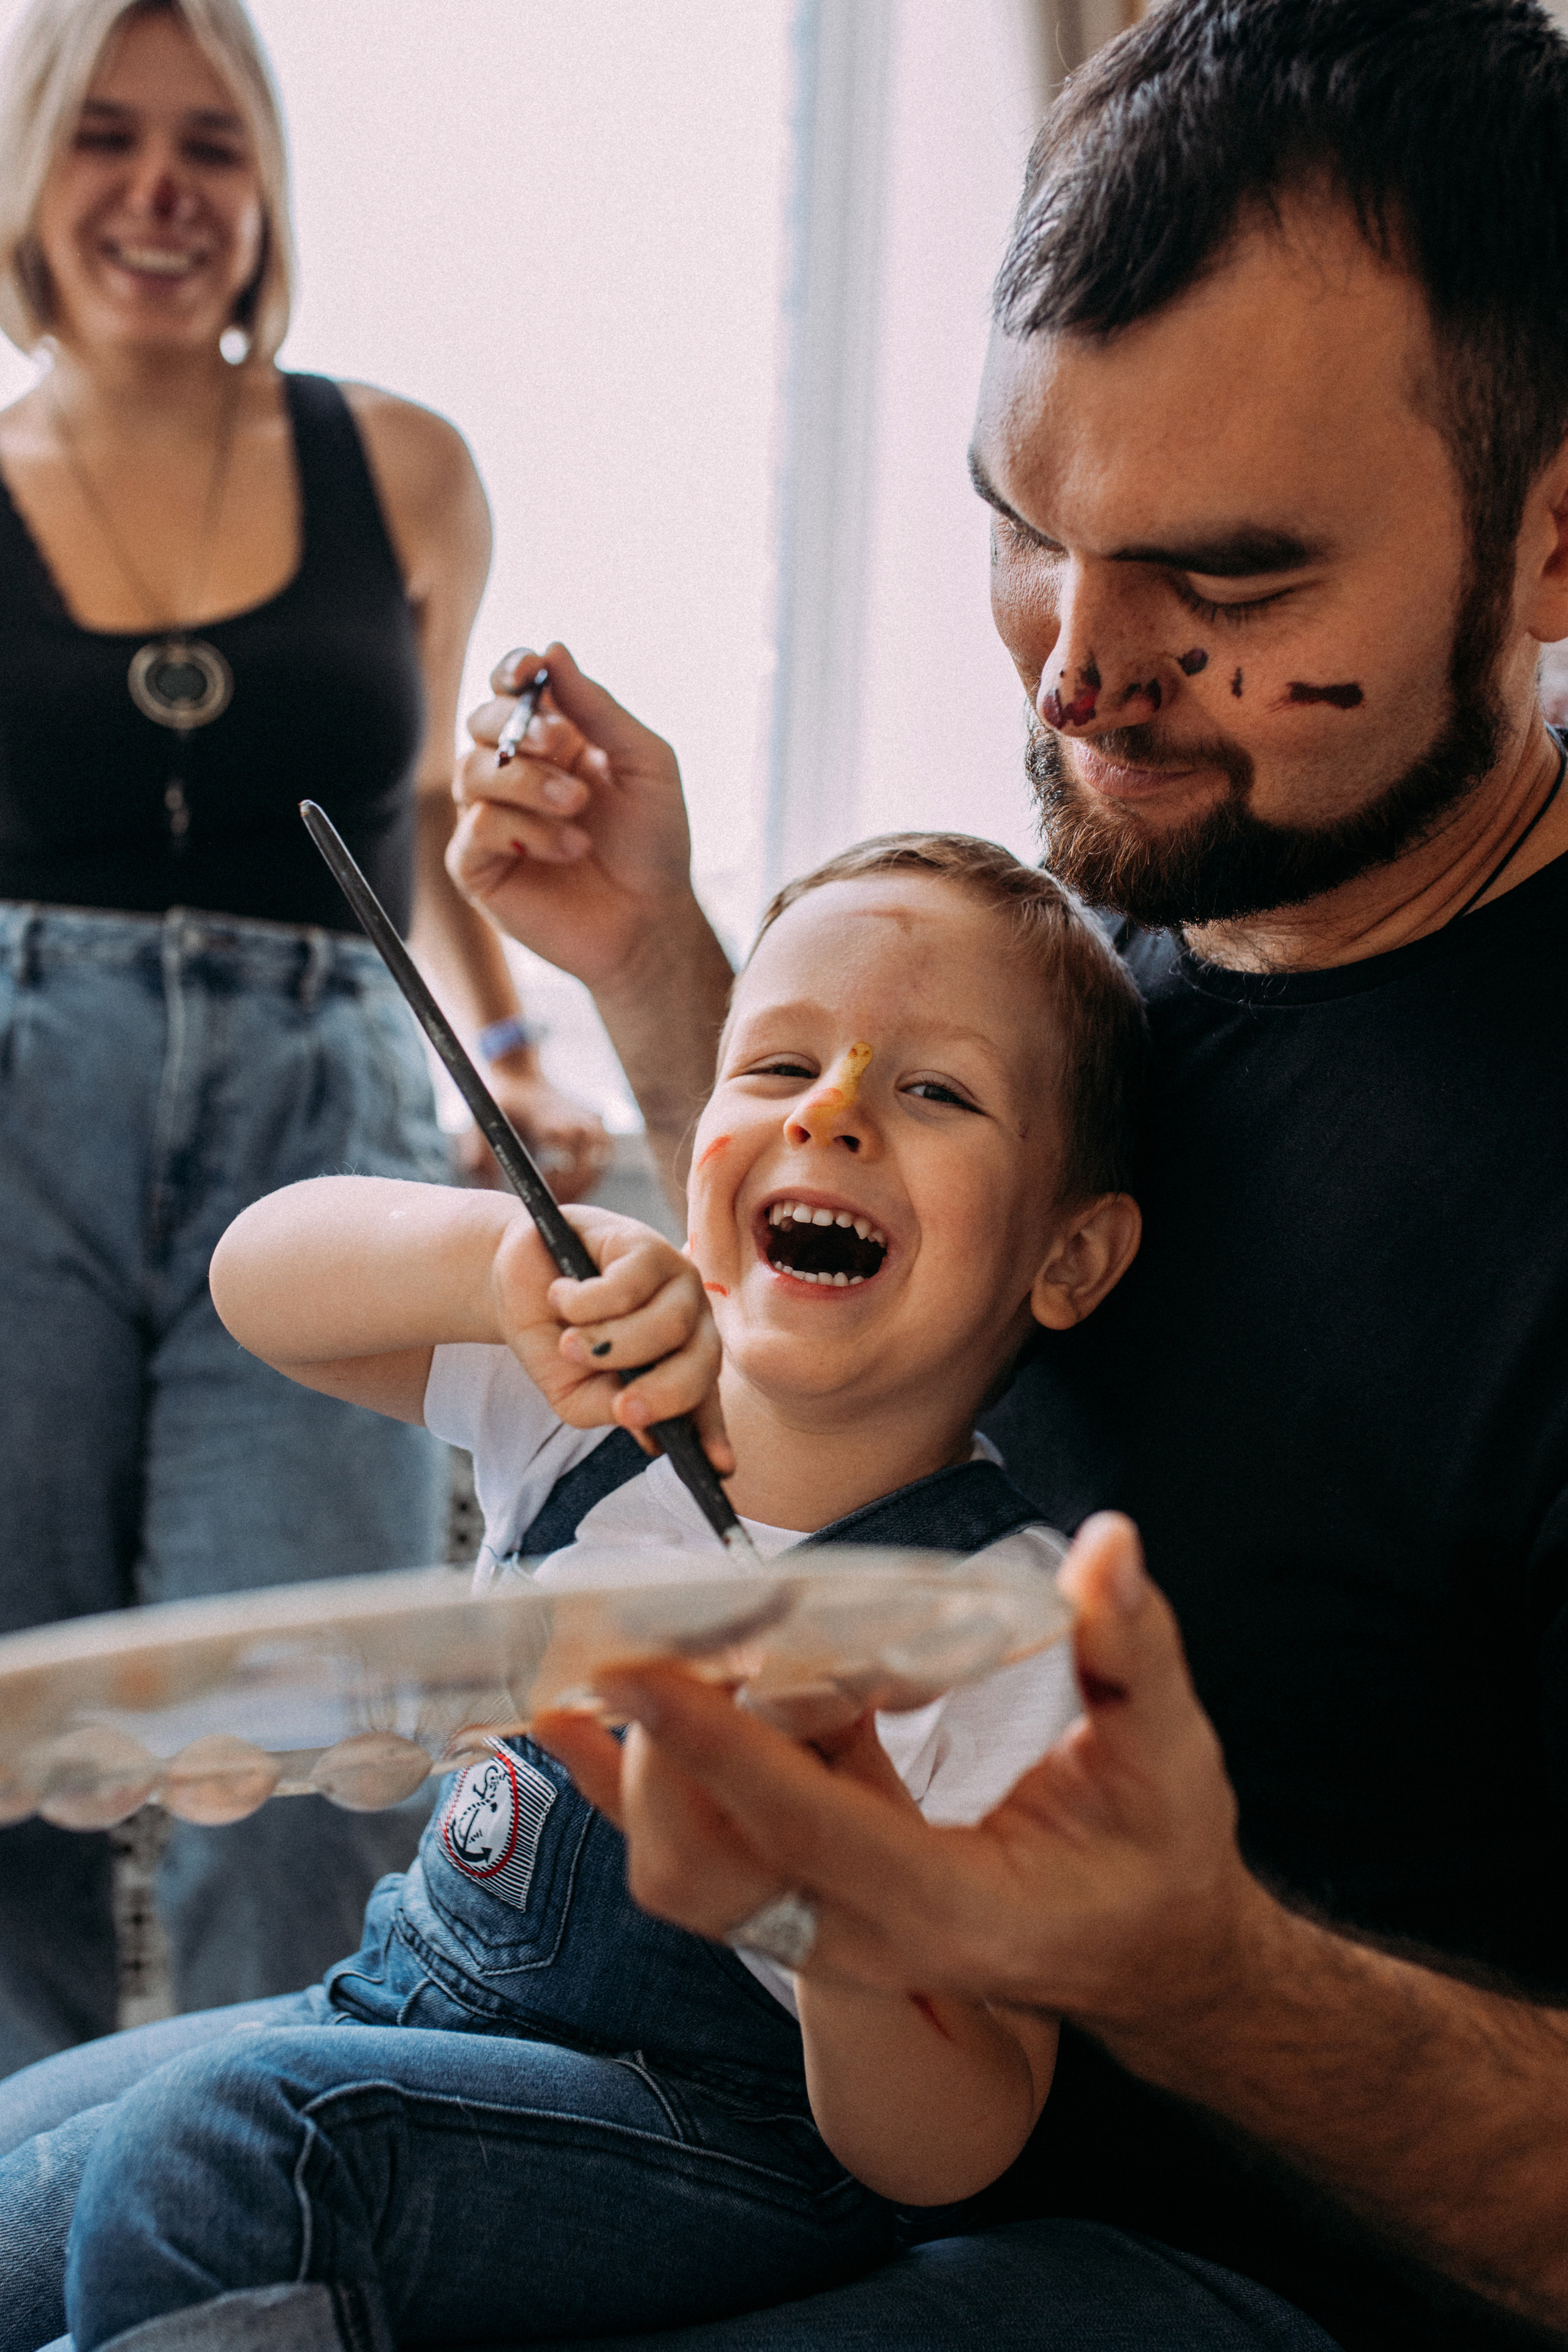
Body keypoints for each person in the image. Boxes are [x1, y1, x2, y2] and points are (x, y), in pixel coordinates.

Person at [424, 3, 1568, 2347]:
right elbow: (944, 1341)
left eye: (1226, 592)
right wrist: (671, 985)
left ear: (1556, 537)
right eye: (1024, 530)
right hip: (793, 2137)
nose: (1075, 671)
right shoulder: (1139, 893)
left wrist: (1207, 1976)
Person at [0, 833, 1145, 2352]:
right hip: (404, 2009)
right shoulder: (576, 1398)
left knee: (225, 2152)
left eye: (931, 1091)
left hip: (724, 2139)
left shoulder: (996, 1623)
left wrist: (840, 1897)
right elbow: (253, 1276)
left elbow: (957, 2146)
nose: (832, 1109)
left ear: (1068, 1253)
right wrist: (496, 1269)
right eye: (778, 1064)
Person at [0, 0, 608, 2076]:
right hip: (16, 1097)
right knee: (15, 1712)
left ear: (266, 187)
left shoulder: (406, 467)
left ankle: (260, 2223)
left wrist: (511, 1044)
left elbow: (420, 824)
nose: (160, 193)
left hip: (321, 1113)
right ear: (29, 168)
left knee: (313, 1720)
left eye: (211, 144)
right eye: (105, 139)